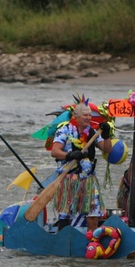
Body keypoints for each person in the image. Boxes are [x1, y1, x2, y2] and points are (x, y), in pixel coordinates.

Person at [49, 97, 113, 231]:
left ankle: (93, 240)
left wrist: (107, 135)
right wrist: (69, 155)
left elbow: (107, 149)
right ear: (76, 116)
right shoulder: (64, 130)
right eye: (85, 115)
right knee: (65, 214)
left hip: (88, 179)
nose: (88, 118)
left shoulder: (93, 132)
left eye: (90, 115)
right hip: (68, 179)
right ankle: (63, 240)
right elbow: (55, 152)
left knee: (94, 212)